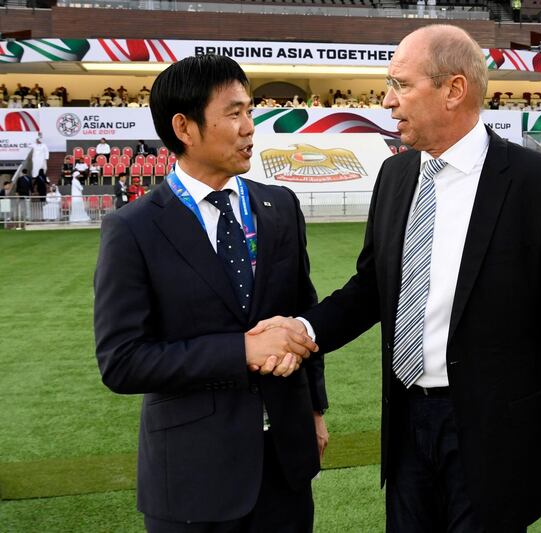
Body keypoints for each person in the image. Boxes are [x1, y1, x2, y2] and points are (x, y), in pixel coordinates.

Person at [252, 25, 541, 532]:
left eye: (401, 84)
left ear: (453, 90)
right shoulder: (396, 176)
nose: (387, 100)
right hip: (406, 427)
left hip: (496, 437)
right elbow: (371, 291)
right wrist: (304, 331)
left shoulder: (540, 186)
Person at [93, 54, 327, 532]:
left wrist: (315, 410)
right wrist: (240, 350)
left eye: (250, 112)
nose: (250, 128)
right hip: (190, 476)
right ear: (185, 127)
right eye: (235, 113)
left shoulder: (279, 205)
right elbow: (122, 360)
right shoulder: (133, 228)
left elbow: (303, 313)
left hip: (285, 464)